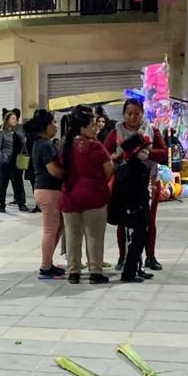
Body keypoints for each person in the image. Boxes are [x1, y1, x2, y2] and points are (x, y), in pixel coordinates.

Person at [104, 97, 167, 271]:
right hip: (123, 183)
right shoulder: (115, 132)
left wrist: (149, 154)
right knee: (123, 221)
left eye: (137, 114)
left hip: (149, 181)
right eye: (129, 113)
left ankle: (150, 256)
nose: (133, 117)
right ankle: (123, 257)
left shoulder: (152, 130)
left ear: (143, 114)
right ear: (124, 114)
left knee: (148, 221)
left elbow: (164, 153)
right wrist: (116, 157)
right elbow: (104, 154)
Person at [59, 105, 113, 285]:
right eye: (92, 125)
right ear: (82, 127)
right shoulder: (96, 146)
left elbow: (59, 170)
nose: (96, 129)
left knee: (72, 236)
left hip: (70, 196)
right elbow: (109, 170)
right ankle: (95, 272)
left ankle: (73, 272)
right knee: (94, 236)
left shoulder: (66, 146)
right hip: (94, 196)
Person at [110, 134, 154, 283]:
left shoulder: (140, 167)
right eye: (143, 150)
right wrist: (132, 208)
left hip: (139, 209)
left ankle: (138, 268)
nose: (147, 152)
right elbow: (127, 192)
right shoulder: (129, 169)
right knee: (134, 242)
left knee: (140, 240)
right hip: (132, 211)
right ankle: (129, 272)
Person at [26, 109, 64, 279]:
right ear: (45, 125)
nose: (56, 126)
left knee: (56, 228)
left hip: (45, 190)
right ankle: (45, 267)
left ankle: (48, 263)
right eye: (53, 122)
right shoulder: (45, 145)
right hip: (49, 191)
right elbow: (53, 171)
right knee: (50, 230)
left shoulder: (39, 142)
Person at [0, 110, 30, 213]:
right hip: (6, 162)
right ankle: (2, 205)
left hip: (16, 162)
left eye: (15, 119)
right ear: (7, 120)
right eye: (13, 118)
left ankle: (21, 204)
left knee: (18, 183)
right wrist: (2, 158)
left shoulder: (18, 131)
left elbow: (23, 143)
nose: (15, 120)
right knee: (3, 184)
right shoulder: (1, 132)